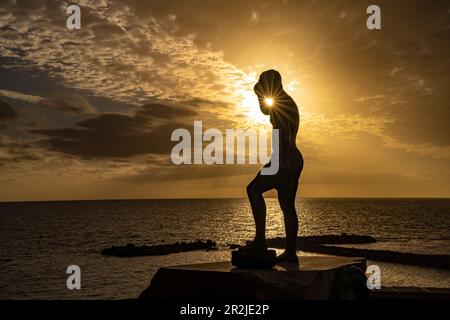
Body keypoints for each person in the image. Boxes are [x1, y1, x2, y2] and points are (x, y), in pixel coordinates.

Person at [245, 69, 304, 263]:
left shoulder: (283, 103)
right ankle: (291, 252)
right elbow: (265, 110)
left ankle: (261, 240)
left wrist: (283, 161)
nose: (260, 84)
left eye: (262, 82)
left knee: (253, 190)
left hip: (284, 159)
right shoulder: (283, 100)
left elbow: (285, 131)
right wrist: (258, 95)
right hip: (290, 159)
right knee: (287, 206)